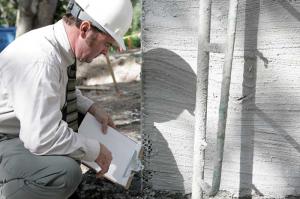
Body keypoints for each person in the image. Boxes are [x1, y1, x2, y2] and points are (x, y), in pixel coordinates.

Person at [0, 0, 133, 198]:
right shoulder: (41, 60)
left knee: (81, 122)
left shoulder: (56, 46)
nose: (106, 52)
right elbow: (42, 138)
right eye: (106, 43)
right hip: (5, 137)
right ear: (85, 28)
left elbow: (56, 88)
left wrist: (91, 107)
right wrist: (94, 150)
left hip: (18, 129)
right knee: (64, 172)